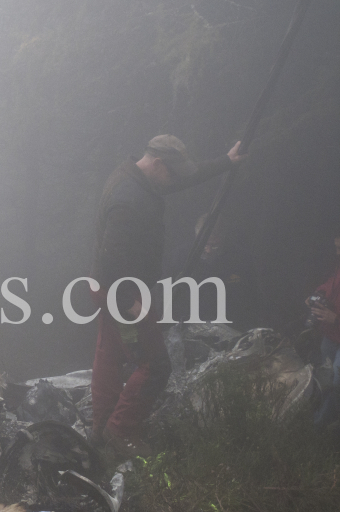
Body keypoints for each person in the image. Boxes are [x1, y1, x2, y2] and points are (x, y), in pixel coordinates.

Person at [90, 135, 245, 458]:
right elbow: (109, 257)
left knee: (109, 354)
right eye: (172, 173)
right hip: (121, 292)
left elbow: (181, 179)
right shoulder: (128, 199)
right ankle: (121, 431)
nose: (174, 181)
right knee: (156, 363)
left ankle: (101, 427)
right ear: (159, 164)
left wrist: (225, 162)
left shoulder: (135, 175)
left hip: (109, 288)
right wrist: (129, 303)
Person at [308, 232, 340, 429]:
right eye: (337, 248)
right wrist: (318, 294)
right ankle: (320, 419)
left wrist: (335, 318)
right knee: (325, 378)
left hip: (335, 330)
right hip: (331, 337)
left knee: (337, 382)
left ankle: (321, 427)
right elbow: (331, 285)